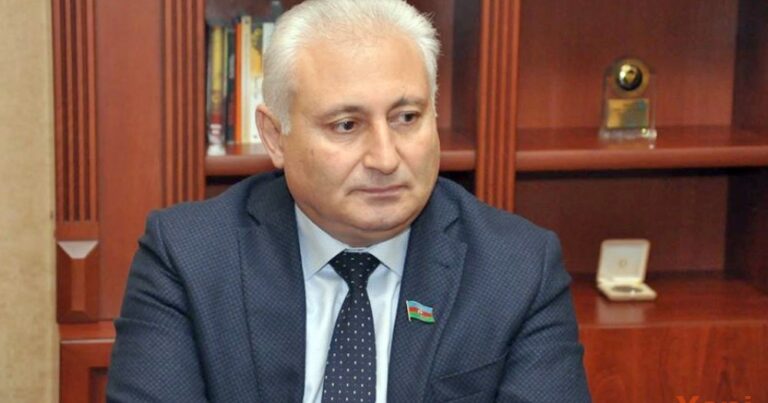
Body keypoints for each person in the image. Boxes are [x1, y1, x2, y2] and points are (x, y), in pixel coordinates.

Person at [106, 0, 591, 402]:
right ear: (275, 136)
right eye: (346, 125)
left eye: (406, 117)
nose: (385, 158)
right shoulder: (187, 257)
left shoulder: (517, 268)